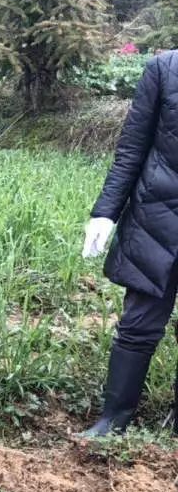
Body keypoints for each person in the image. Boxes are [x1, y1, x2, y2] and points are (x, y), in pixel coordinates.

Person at [81, 51, 178, 436]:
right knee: (139, 323)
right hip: (156, 217)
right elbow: (132, 148)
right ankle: (114, 419)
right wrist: (105, 212)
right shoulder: (165, 68)